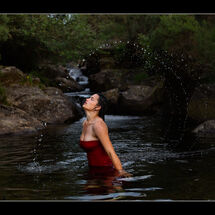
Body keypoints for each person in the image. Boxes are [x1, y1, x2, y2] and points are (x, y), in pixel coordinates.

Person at [80, 93, 132, 178]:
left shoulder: (98, 125)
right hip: (93, 171)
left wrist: (121, 172)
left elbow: (110, 152)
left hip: (107, 171)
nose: (87, 99)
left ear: (97, 107)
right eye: (89, 97)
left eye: (91, 99)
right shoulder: (85, 123)